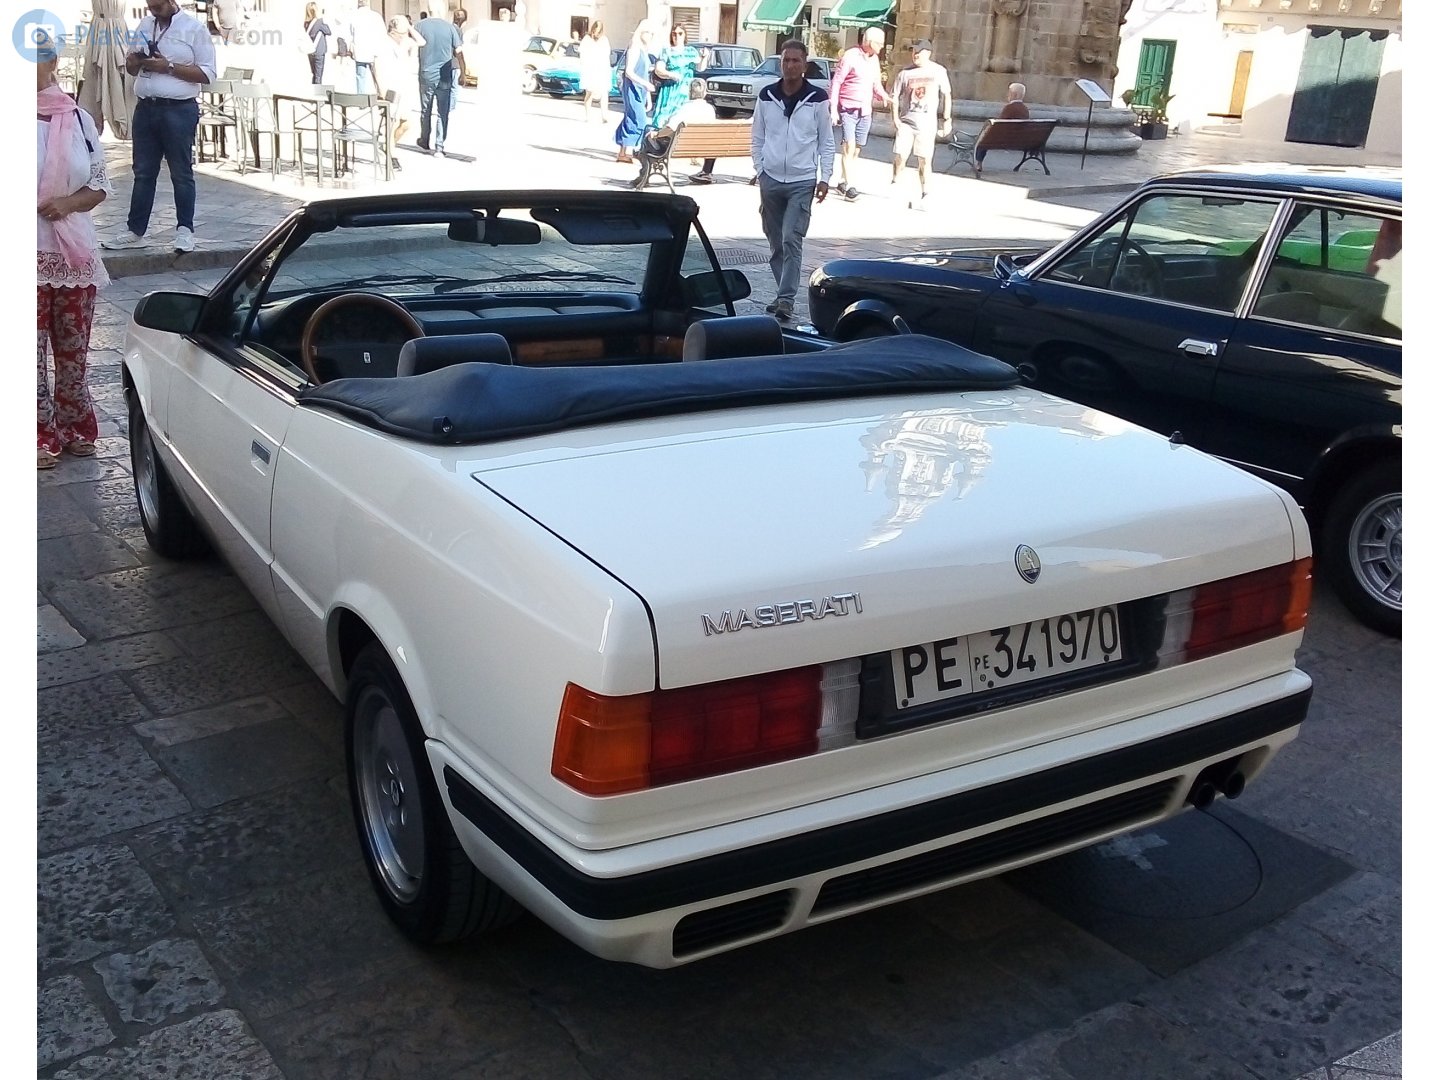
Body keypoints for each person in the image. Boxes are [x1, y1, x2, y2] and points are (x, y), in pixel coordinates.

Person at [36, 34, 112, 469]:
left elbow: (99, 184)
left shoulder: (78, 118)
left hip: (73, 256)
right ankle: (36, 431)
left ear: (51, 63)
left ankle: (75, 424)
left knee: (72, 350)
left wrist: (66, 204)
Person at [101, 0, 216, 253]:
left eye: (158, 6)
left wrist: (169, 67)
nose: (154, 11)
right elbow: (131, 69)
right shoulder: (144, 24)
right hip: (146, 108)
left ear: (171, 1)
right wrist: (135, 61)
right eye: (150, 6)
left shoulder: (194, 29)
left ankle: (185, 230)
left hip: (178, 109)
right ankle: (135, 231)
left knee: (181, 172)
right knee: (143, 172)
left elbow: (208, 74)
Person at [751, 39, 833, 322]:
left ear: (805, 65)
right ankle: (782, 293)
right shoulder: (766, 96)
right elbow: (757, 137)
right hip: (771, 178)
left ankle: (786, 299)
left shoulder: (818, 99)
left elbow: (826, 141)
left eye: (796, 61)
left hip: (802, 179)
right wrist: (760, 169)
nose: (790, 65)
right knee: (775, 242)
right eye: (786, 60)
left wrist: (826, 178)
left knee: (791, 238)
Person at [889, 39, 951, 209]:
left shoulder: (938, 71)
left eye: (919, 51)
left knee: (924, 159)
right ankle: (895, 182)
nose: (915, 54)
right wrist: (895, 119)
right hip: (907, 122)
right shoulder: (905, 73)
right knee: (900, 155)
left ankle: (925, 192)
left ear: (928, 53)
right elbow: (894, 96)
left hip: (926, 123)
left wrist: (947, 119)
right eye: (913, 51)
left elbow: (947, 95)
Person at [828, 26, 889, 201]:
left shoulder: (874, 59)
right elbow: (836, 83)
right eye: (880, 43)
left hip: (865, 110)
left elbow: (876, 84)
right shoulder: (850, 57)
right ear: (870, 42)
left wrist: (884, 96)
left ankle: (842, 181)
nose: (882, 47)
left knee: (855, 150)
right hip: (848, 109)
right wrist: (834, 109)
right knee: (849, 146)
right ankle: (851, 186)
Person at [633, 77, 714, 188]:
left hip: (675, 147)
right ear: (704, 93)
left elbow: (670, 128)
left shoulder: (685, 108)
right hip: (706, 147)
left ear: (690, 92)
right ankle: (706, 172)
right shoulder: (710, 109)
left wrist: (656, 134)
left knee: (648, 133)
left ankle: (643, 174)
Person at [374, 15, 425, 171]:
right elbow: (376, 67)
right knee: (392, 122)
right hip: (389, 88)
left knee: (406, 123)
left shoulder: (405, 42)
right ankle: (392, 155)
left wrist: (409, 28)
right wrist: (382, 89)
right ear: (393, 30)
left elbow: (422, 42)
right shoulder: (383, 43)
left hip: (404, 88)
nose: (404, 37)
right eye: (401, 33)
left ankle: (389, 146)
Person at [413, 8, 464, 154]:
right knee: (443, 112)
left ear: (429, 9)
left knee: (425, 110)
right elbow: (459, 52)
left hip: (426, 74)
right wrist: (463, 73)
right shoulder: (450, 28)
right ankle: (439, 146)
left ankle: (424, 140)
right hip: (444, 75)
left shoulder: (419, 26)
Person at [614, 21, 657, 164]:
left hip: (641, 90)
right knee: (639, 120)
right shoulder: (634, 47)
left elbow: (645, 75)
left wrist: (648, 98)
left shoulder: (644, 50)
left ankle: (623, 152)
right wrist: (646, 85)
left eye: (652, 33)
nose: (650, 36)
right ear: (641, 31)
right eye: (648, 32)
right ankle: (629, 150)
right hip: (632, 88)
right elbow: (629, 72)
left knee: (631, 117)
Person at [652, 24, 699, 130]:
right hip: (671, 91)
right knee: (664, 119)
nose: (677, 36)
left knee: (683, 119)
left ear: (685, 35)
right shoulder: (666, 51)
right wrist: (671, 74)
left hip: (686, 92)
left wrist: (705, 57)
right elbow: (658, 69)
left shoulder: (691, 51)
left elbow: (700, 67)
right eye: (674, 34)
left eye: (680, 33)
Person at [974, 82, 1028, 173]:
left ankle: (979, 163)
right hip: (1020, 140)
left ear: (1014, 94)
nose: (1008, 94)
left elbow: (999, 125)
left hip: (1005, 140)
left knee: (983, 141)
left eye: (1009, 92)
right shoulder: (1025, 109)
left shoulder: (1009, 108)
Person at [343, 0, 389, 94]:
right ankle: (380, 95)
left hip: (359, 50)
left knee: (360, 76)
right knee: (377, 76)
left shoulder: (353, 16)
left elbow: (349, 35)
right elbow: (383, 34)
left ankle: (361, 99)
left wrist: (350, 48)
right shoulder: (376, 16)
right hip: (374, 51)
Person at [578, 21, 611, 124]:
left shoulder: (604, 39)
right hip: (590, 69)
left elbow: (607, 54)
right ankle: (588, 116)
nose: (596, 31)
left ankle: (604, 115)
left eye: (599, 29)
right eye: (595, 28)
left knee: (604, 93)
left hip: (602, 69)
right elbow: (582, 53)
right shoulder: (587, 39)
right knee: (589, 92)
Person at [303, 2, 332, 85]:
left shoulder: (306, 23)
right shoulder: (319, 22)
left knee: (314, 74)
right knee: (318, 76)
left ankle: (313, 92)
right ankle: (317, 94)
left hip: (310, 51)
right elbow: (328, 31)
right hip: (319, 51)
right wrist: (322, 19)